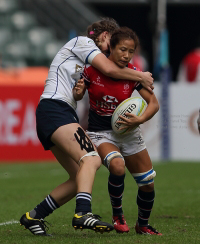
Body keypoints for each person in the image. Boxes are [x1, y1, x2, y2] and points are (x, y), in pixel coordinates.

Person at [19, 18, 154, 236]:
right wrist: (141, 75)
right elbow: (110, 69)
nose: (110, 50)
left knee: (78, 177)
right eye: (111, 44)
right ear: (104, 36)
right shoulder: (82, 42)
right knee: (91, 159)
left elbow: (89, 82)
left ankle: (33, 216)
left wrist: (78, 92)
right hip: (55, 110)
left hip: (57, 113)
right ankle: (83, 213)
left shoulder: (85, 61)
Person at [76, 26, 161, 235]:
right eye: (123, 49)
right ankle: (118, 214)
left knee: (147, 184)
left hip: (128, 132)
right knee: (117, 165)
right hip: (101, 133)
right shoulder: (91, 71)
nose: (127, 55)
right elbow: (78, 96)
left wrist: (139, 119)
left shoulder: (133, 74)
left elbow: (154, 104)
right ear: (111, 48)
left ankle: (143, 225)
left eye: (131, 51)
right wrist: (78, 93)